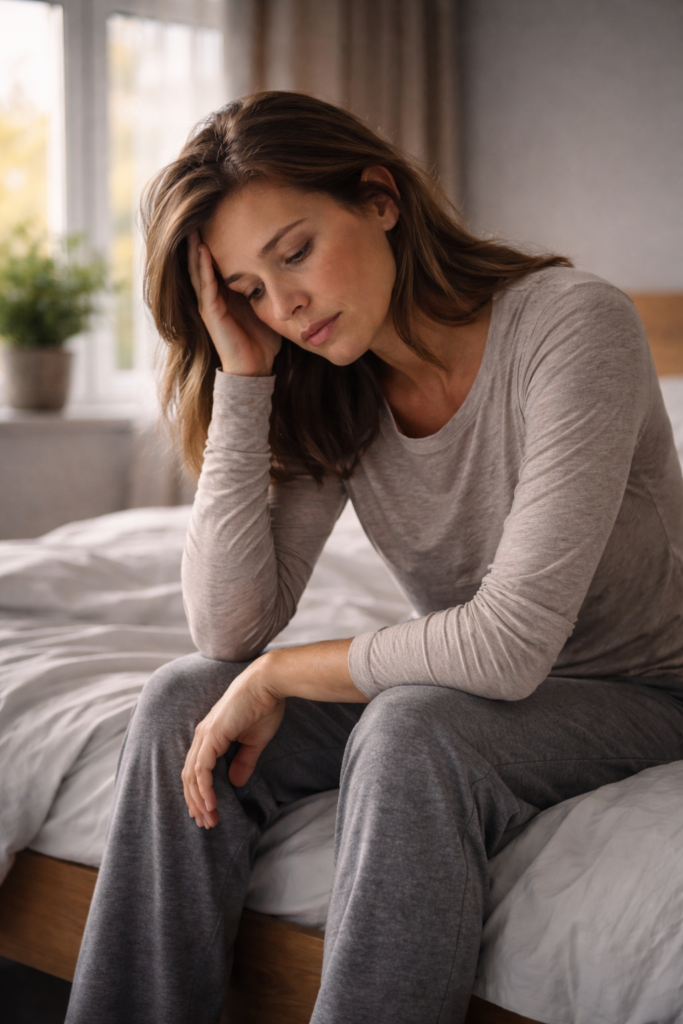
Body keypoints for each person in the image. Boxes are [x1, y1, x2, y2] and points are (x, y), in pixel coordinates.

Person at [65, 92, 683, 1024]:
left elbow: (508, 647)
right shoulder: (337, 386)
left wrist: (283, 675)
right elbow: (228, 627)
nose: (287, 304)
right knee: (182, 699)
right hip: (481, 692)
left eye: (295, 253)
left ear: (379, 198)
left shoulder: (571, 326)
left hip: (641, 691)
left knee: (412, 728)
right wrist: (244, 379)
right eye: (248, 291)